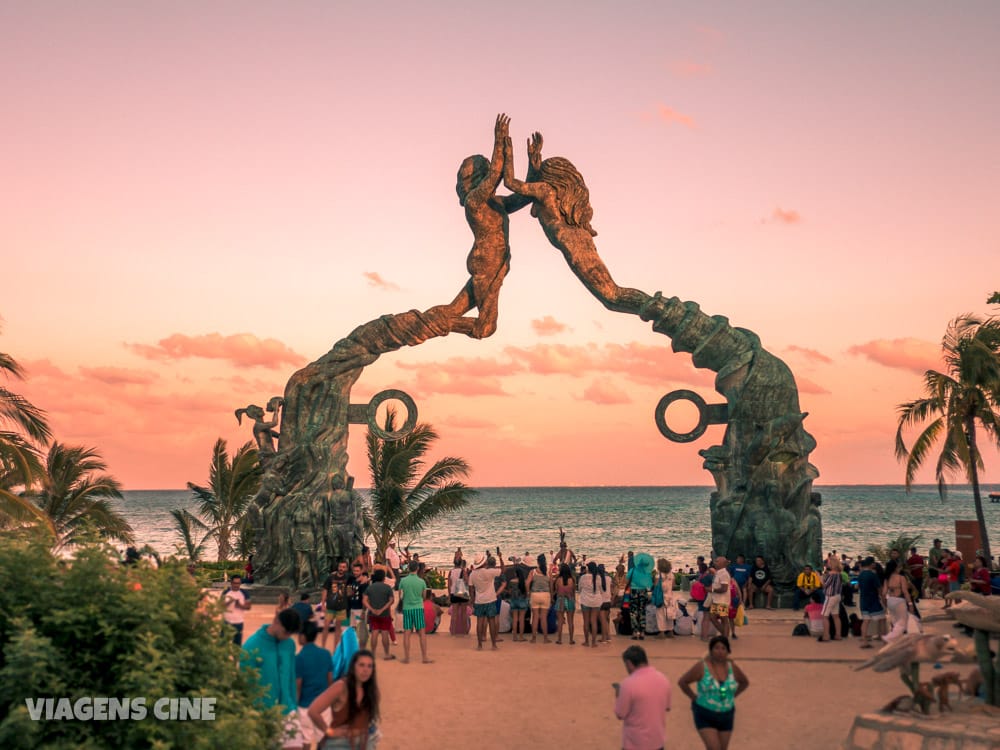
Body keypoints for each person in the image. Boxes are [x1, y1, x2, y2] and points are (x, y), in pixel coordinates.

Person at [501, 130, 648, 315]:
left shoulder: (545, 190)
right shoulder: (551, 194)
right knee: (612, 296)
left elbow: (511, 183)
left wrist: (507, 152)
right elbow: (528, 188)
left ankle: (661, 309)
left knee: (612, 296)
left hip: (572, 244)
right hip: (578, 239)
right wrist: (534, 163)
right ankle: (658, 308)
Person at [679, 636, 750, 750]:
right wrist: (693, 697)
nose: (720, 651)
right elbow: (683, 682)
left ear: (728, 651)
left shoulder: (732, 668)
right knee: (714, 748)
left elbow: (744, 682)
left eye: (723, 648)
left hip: (727, 715)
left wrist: (732, 696)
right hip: (704, 713)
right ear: (711, 650)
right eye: (716, 648)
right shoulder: (701, 667)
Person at [240, 608, 302, 735]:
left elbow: (291, 676)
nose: (288, 637)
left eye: (290, 634)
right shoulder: (251, 646)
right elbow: (245, 683)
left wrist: (294, 706)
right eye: (286, 632)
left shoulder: (289, 644)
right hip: (262, 714)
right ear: (276, 621)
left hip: (287, 709)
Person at [307, 649, 379, 750]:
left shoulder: (370, 689)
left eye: (369, 666)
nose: (365, 670)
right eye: (361, 665)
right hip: (340, 743)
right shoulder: (341, 687)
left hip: (364, 741)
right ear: (353, 667)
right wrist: (329, 731)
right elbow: (313, 710)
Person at [613, 645, 672, 750]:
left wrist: (618, 695)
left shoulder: (627, 684)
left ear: (629, 664)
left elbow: (620, 714)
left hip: (635, 743)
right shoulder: (663, 679)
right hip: (657, 742)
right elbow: (667, 707)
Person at [294, 620, 332, 748]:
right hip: (323, 706)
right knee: (323, 740)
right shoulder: (326, 654)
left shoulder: (299, 658)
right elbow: (330, 681)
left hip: (305, 706)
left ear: (303, 637)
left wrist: (295, 706)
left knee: (306, 741)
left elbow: (298, 686)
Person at [469, 554, 506, 650]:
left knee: (480, 622)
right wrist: (501, 558)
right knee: (492, 621)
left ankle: (479, 645)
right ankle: (493, 645)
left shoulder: (472, 574)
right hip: (490, 599)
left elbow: (471, 589)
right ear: (484, 563)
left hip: (479, 600)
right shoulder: (489, 572)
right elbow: (503, 570)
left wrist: (472, 601)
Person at [398, 560, 431, 664]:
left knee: (407, 633)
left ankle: (407, 657)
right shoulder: (421, 582)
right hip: (418, 608)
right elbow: (424, 596)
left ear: (408, 568)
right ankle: (424, 657)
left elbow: (400, 595)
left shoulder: (403, 581)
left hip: (407, 608)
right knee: (421, 633)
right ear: (417, 568)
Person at [363, 569, 396, 661]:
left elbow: (364, 600)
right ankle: (386, 654)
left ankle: (372, 654)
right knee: (385, 632)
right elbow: (391, 601)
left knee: (374, 632)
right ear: (383, 578)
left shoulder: (370, 588)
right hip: (384, 614)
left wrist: (372, 609)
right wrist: (382, 609)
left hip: (373, 614)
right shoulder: (387, 588)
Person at [856, 557, 886, 648]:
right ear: (870, 564)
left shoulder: (861, 575)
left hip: (863, 600)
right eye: (873, 563)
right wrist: (883, 598)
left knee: (865, 621)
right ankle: (883, 638)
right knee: (882, 618)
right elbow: (879, 588)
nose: (874, 564)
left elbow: (857, 587)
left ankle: (864, 641)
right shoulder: (872, 575)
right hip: (873, 600)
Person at [321, 560, 350, 650]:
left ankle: (335, 648)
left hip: (341, 607)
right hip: (330, 606)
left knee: (338, 628)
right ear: (338, 567)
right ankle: (323, 647)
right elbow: (325, 589)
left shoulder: (348, 577)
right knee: (326, 626)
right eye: (340, 566)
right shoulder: (331, 577)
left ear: (346, 568)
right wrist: (323, 603)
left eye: (343, 567)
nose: (341, 569)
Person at [628, 552, 656, 640]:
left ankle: (635, 632)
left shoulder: (632, 570)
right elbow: (650, 584)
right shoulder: (647, 572)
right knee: (642, 611)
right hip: (643, 592)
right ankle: (642, 632)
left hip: (634, 592)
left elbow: (627, 579)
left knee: (633, 612)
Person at [527, 553, 552, 644]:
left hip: (535, 595)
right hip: (545, 595)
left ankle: (534, 638)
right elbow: (551, 584)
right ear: (545, 561)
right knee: (544, 618)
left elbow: (527, 583)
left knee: (535, 618)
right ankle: (545, 638)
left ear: (537, 562)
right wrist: (552, 595)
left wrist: (528, 593)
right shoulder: (548, 571)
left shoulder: (533, 572)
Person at [578, 561, 603, 647]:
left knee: (586, 621)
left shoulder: (583, 577)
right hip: (596, 601)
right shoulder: (598, 578)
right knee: (594, 621)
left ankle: (586, 641)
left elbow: (579, 588)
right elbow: (600, 589)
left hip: (585, 600)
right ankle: (593, 642)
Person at [221, 574, 251, 645]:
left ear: (240, 583)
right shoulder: (226, 592)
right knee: (222, 644)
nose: (236, 585)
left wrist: (240, 605)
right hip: (226, 622)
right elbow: (220, 605)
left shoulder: (244, 593)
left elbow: (248, 606)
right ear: (231, 583)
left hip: (238, 622)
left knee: (236, 646)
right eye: (234, 583)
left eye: (238, 583)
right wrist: (229, 602)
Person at [819, 559, 844, 642]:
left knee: (824, 616)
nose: (827, 564)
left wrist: (820, 577)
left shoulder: (831, 574)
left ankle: (826, 635)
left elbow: (825, 585)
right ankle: (838, 635)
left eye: (829, 563)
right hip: (837, 596)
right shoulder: (839, 574)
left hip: (830, 596)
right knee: (836, 616)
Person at [554, 562, 577, 645]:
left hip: (560, 600)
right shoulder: (572, 579)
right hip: (570, 599)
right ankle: (571, 640)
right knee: (571, 621)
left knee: (560, 621)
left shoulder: (558, 579)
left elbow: (556, 590)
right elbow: (573, 591)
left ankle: (559, 639)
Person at [709, 556, 732, 639]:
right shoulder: (718, 573)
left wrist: (712, 590)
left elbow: (724, 588)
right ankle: (724, 634)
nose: (715, 562)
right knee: (712, 617)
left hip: (722, 601)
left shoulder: (724, 574)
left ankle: (725, 637)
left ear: (723, 563)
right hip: (716, 600)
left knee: (724, 619)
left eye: (717, 561)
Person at [654, 558, 677, 639]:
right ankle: (670, 632)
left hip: (662, 597)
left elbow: (656, 586)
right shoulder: (671, 574)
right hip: (670, 596)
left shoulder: (659, 575)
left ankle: (662, 633)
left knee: (660, 615)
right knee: (669, 615)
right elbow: (674, 585)